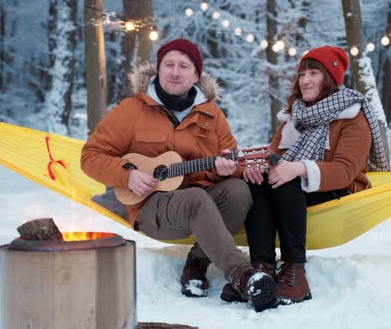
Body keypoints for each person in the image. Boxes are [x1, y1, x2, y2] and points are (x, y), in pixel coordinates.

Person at [80, 38, 278, 312]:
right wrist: (128, 175)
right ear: (158, 69)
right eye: (168, 64)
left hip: (199, 202)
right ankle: (243, 276)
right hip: (151, 207)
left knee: (237, 191)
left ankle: (197, 263)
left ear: (196, 75)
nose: (175, 72)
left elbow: (236, 163)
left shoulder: (212, 116)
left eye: (184, 66)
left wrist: (230, 169)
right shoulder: (131, 110)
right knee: (195, 198)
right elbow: (90, 156)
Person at [221, 45, 390, 305]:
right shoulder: (293, 116)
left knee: (287, 181)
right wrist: (253, 171)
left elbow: (345, 171)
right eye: (302, 74)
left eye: (314, 73)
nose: (306, 80)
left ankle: (294, 270)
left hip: (338, 190)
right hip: (292, 191)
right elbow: (273, 159)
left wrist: (299, 168)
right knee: (257, 183)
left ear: (330, 79)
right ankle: (262, 268)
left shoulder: (352, 117)